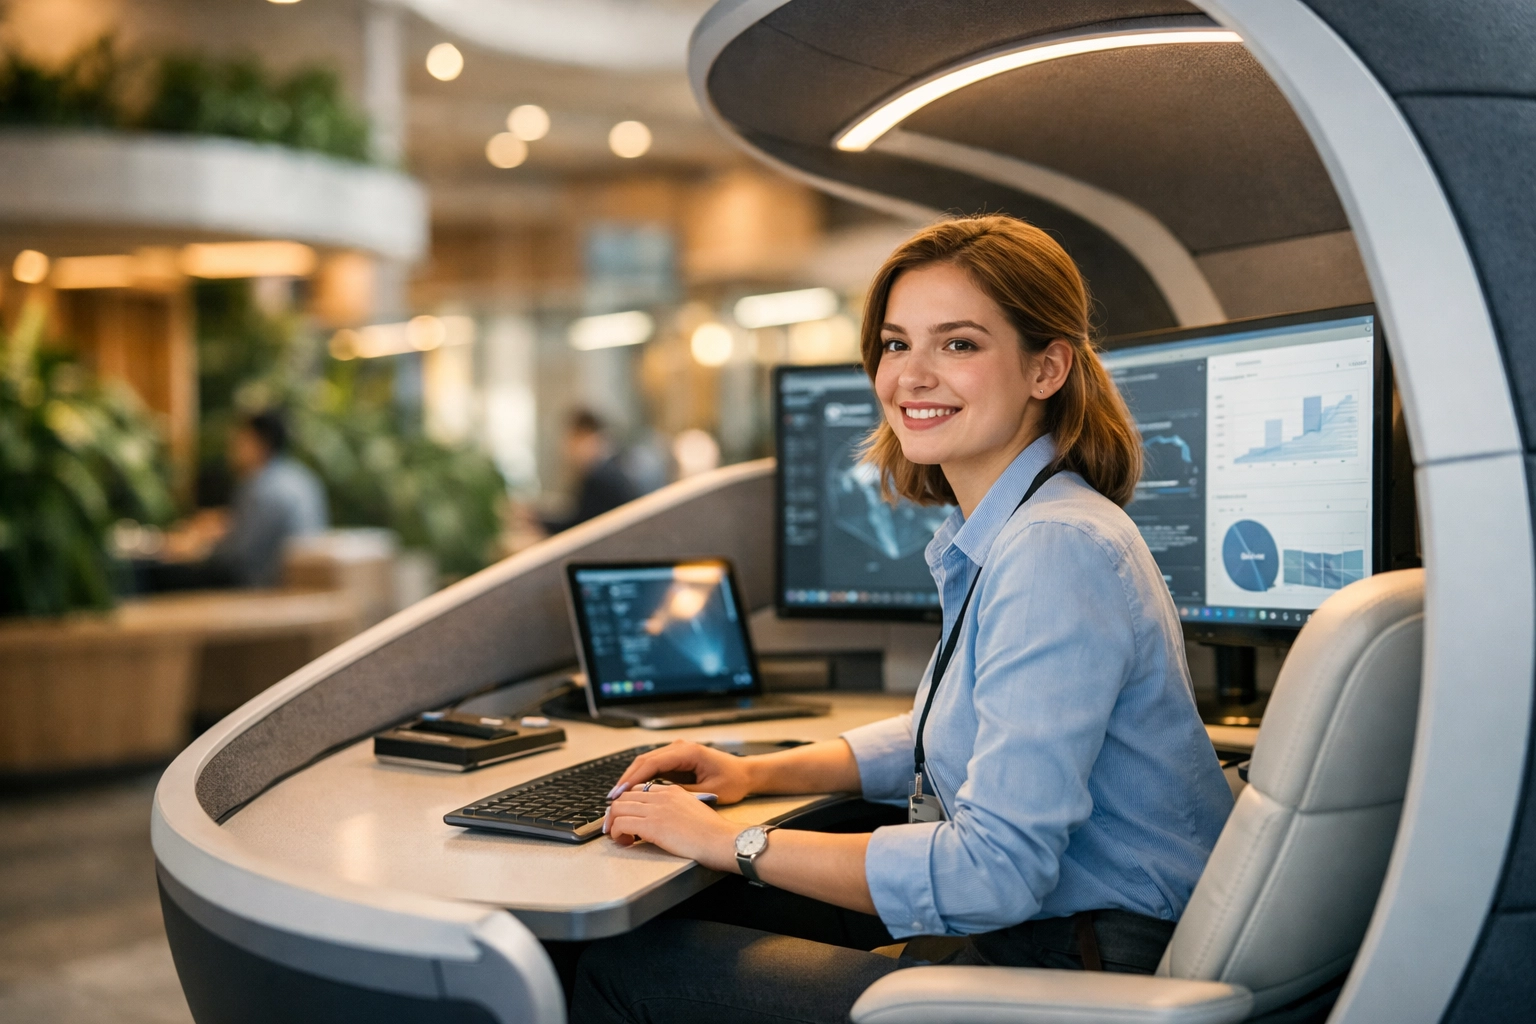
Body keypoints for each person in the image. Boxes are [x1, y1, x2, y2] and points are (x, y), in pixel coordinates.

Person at [569, 215, 1234, 1024]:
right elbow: (946, 728)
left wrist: (729, 842)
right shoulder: (1018, 525)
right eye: (894, 344)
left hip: (1083, 966)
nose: (911, 376)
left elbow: (993, 874)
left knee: (611, 965)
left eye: (958, 344)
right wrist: (755, 773)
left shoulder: (1053, 548)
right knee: (700, 918)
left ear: (1047, 367)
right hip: (1063, 936)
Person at [148, 410, 328, 589]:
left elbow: (234, 557)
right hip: (296, 582)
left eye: (239, 441)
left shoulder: (259, 486)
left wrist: (193, 546)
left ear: (259, 443)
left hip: (262, 585)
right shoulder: (302, 478)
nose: (231, 449)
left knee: (154, 574)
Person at [539, 409, 640, 534]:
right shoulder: (611, 468)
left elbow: (580, 527)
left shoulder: (599, 478)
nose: (568, 449)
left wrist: (539, 522)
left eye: (572, 440)